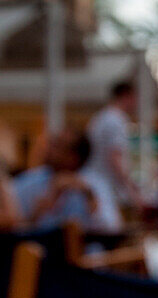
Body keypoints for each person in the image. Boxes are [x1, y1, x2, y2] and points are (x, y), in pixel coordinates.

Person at [11, 129, 119, 232]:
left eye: (57, 146)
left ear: (73, 157)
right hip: (41, 248)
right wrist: (40, 210)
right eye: (52, 143)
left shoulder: (95, 184)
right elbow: (13, 225)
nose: (49, 149)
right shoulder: (31, 181)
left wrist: (88, 194)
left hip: (87, 250)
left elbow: (111, 228)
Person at [86, 81, 141, 223]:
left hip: (97, 183)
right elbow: (115, 158)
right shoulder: (116, 120)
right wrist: (131, 189)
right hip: (106, 188)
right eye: (135, 98)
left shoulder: (100, 118)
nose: (136, 103)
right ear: (126, 96)